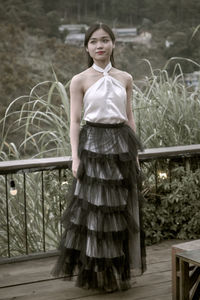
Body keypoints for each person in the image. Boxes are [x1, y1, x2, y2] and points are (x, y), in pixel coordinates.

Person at [51, 23, 146, 293]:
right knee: (95, 211)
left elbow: (129, 118)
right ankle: (97, 274)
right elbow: (74, 121)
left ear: (113, 44)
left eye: (105, 40)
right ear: (86, 47)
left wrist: (135, 155)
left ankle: (116, 271)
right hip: (92, 145)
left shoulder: (125, 77)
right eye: (94, 41)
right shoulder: (79, 80)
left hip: (120, 145)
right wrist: (74, 157)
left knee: (118, 209)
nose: (99, 45)